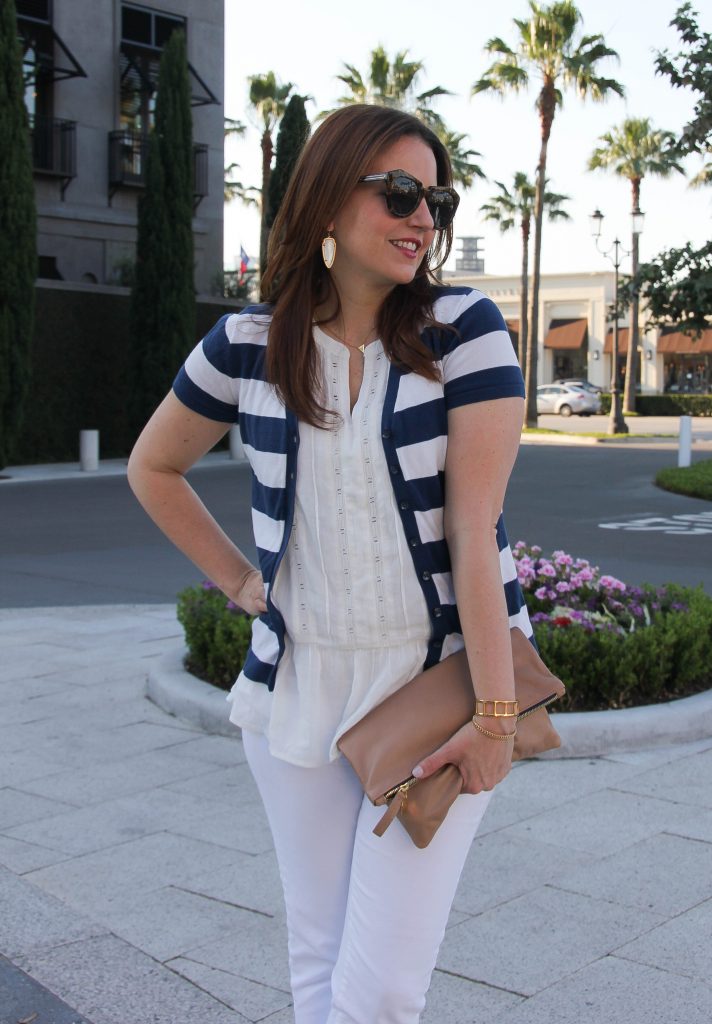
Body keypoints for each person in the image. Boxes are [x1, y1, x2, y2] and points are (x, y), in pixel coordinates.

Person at [128, 103, 530, 1024]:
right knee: (318, 954)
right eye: (398, 192)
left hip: (436, 686)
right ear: (324, 202)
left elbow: (477, 530)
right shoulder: (246, 344)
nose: (423, 216)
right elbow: (153, 467)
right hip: (299, 682)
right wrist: (239, 582)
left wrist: (499, 717)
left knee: (383, 987)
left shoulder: (465, 331)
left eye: (436, 198)